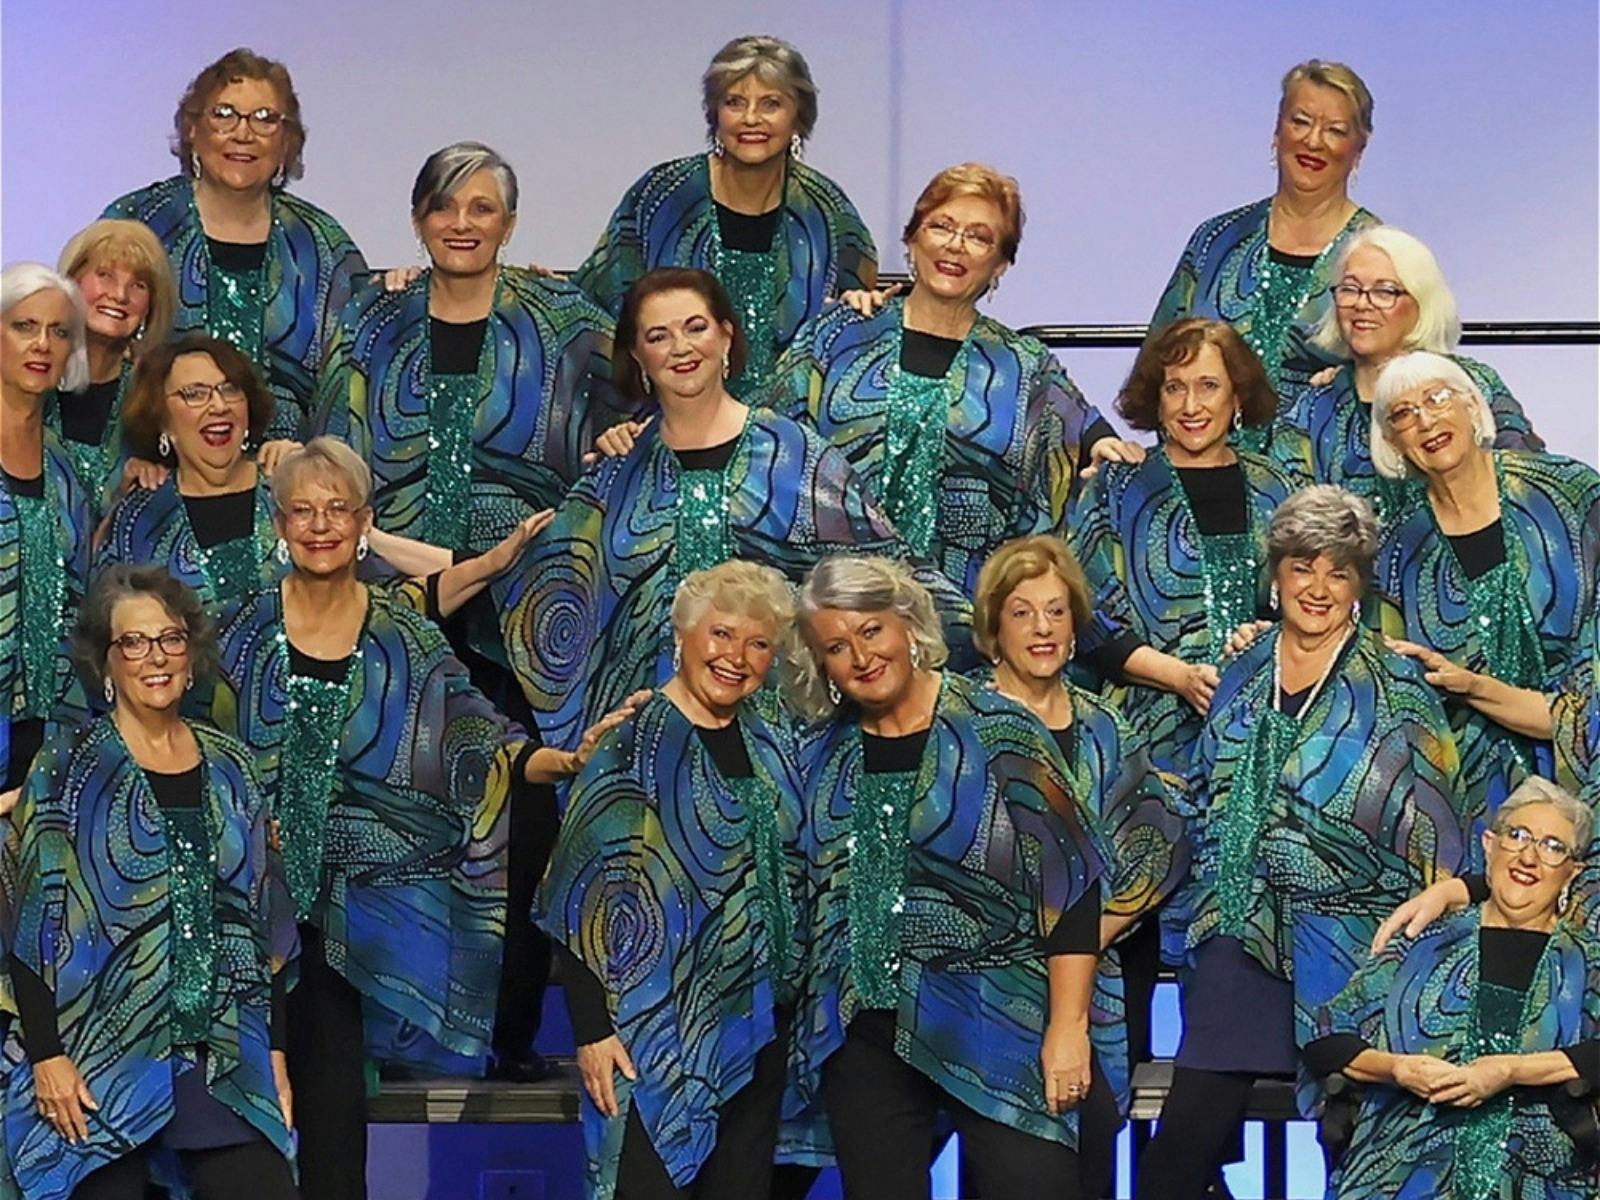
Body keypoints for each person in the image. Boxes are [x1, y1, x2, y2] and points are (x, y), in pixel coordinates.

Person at [207, 438, 634, 1199]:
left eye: (338, 510)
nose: (320, 525)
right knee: (238, 1136)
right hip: (239, 919)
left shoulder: (399, 629)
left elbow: (480, 738)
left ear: (366, 522)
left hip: (345, 918)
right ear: (278, 525)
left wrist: (561, 761)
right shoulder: (237, 629)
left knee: (336, 1135)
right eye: (302, 511)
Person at [1134, 486, 1470, 1199]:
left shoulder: (1399, 684)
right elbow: (1202, 790)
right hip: (1240, 930)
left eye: (1339, 571)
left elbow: (1440, 823)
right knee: (1176, 1159)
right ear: (1276, 573)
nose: (1318, 587)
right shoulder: (1242, 670)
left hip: (1356, 944)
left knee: (1361, 1153)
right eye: (1302, 567)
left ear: (1359, 583)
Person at [494, 267, 972, 755]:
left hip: (784, 747)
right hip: (649, 746)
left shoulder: (794, 454)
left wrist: (998, 643)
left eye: (695, 328)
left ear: (726, 336)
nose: (681, 348)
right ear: (638, 356)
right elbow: (542, 590)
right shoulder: (618, 469)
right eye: (659, 336)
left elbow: (890, 575)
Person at [786, 555, 1105, 1198]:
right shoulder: (820, 751)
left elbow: (1072, 884)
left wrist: (1068, 1028)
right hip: (864, 1032)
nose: (861, 657)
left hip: (995, 1017)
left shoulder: (1000, 728)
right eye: (837, 647)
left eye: (871, 632)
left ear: (907, 626)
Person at [1, 566, 294, 1199]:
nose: (154, 658)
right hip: (97, 1054)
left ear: (192, 654)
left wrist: (273, 1053)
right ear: (106, 662)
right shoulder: (68, 766)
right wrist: (48, 1056)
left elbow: (264, 922)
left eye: (170, 638)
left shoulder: (232, 765)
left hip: (221, 1054)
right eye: (133, 642)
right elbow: (29, 927)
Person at [543, 561, 804, 1199]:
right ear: (681, 636)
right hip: (645, 1035)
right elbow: (573, 896)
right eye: (720, 634)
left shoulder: (773, 742)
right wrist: (591, 1032)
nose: (736, 656)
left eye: (758, 643)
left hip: (752, 1030)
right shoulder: (630, 744)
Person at [762, 162, 1132, 597]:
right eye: (942, 226)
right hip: (830, 608)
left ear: (1001, 264)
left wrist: (1111, 455)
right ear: (912, 238)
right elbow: (768, 442)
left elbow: (1087, 433)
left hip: (968, 621)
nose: (955, 246)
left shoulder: (1023, 366)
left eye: (979, 237)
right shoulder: (841, 333)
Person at [974, 536, 1188, 1199]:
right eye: (1022, 613)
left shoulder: (1106, 730)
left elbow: (1161, 847)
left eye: (1057, 612)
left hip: (1090, 988)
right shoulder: (960, 722)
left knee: (1091, 1145)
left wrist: (1084, 937)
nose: (1042, 629)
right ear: (991, 631)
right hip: (981, 989)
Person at [313, 141, 621, 559]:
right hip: (392, 577)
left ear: (508, 225)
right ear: (417, 222)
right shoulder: (373, 318)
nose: (461, 224)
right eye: (442, 207)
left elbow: (636, 408)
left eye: (482, 209)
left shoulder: (563, 316)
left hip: (531, 582)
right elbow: (330, 450)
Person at [1309, 778, 1600, 1200]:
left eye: (1553, 846)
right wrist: (1396, 1069)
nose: (1529, 856)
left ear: (1572, 871)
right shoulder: (1423, 938)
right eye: (1516, 836)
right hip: (1404, 1162)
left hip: (1535, 1172)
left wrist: (1510, 1070)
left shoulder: (1587, 957)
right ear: (1489, 845)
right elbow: (1327, 1041)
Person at [1370, 351, 1600, 839]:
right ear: (1393, 442)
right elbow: (1398, 686)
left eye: (1437, 399)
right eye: (1403, 414)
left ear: (1473, 406)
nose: (1426, 420)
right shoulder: (1395, 549)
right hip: (1477, 793)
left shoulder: (1569, 492)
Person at [573, 35, 875, 398]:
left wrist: (863, 305)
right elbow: (604, 310)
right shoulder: (663, 196)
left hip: (790, 436)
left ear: (799, 117)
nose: (751, 119)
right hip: (665, 423)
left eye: (771, 104)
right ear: (715, 114)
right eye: (734, 102)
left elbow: (852, 337)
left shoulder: (827, 212)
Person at [104, 47, 366, 441]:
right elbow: (88, 349)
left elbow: (349, 386)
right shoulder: (140, 223)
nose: (243, 134)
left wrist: (310, 466)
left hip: (287, 484)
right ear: (193, 129)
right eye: (224, 114)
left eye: (265, 119)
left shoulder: (322, 246)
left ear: (286, 141)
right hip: (152, 472)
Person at [1071, 317, 1291, 781]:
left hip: (1265, 734)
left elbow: (1307, 606)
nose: (1190, 405)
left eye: (1208, 385)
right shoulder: (1117, 486)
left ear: (1237, 396)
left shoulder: (1278, 488)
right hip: (1139, 739)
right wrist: (1180, 678)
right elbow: (1085, 617)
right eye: (1175, 388)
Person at [1150, 60, 1380, 406]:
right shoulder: (1216, 240)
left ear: (1359, 149)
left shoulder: (1381, 253)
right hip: (1208, 455)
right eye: (1300, 122)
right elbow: (1155, 365)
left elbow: (1405, 375)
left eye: (1335, 130)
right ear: (1277, 132)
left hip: (1326, 458)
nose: (1313, 141)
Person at [1271, 226, 1543, 515]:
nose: (1363, 304)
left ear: (1421, 302)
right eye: (1350, 289)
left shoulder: (1472, 382)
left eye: (1384, 291)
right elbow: (1285, 522)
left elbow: (1530, 484)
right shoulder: (1312, 411)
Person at [0, 264, 93, 800]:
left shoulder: (65, 466)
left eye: (59, 332)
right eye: (24, 326)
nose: (42, 344)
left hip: (51, 725)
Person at [46, 220, 178, 516]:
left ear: (151, 307)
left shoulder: (157, 396)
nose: (120, 295)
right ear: (71, 281)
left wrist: (136, 492)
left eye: (138, 285)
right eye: (104, 275)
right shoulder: (30, 377)